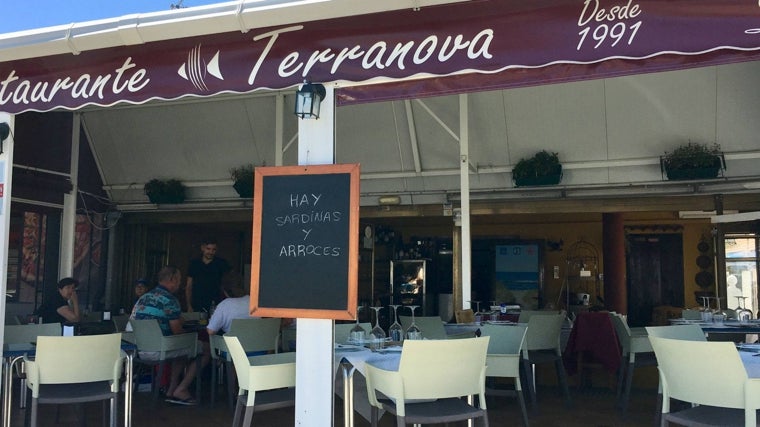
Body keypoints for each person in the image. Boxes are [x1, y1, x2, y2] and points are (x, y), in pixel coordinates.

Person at [131, 266, 198, 405]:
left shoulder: (144, 297)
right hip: (160, 350)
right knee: (203, 349)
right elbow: (177, 332)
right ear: (172, 279)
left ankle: (171, 388)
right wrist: (193, 335)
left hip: (140, 350)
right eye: (179, 280)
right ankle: (180, 389)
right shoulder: (170, 300)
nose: (180, 284)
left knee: (181, 349)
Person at [185, 237, 231, 313]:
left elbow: (227, 284)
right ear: (202, 248)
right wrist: (189, 306)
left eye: (213, 249)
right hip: (197, 303)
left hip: (216, 303)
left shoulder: (221, 263)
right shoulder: (194, 263)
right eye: (208, 249)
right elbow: (189, 286)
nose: (211, 252)